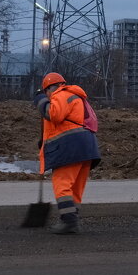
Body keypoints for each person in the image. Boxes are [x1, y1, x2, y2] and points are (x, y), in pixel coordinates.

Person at [32, 72, 100, 234]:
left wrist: (40, 101)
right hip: (86, 147)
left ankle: (68, 222)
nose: (47, 96)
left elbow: (54, 115)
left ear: (49, 88)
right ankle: (72, 218)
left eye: (46, 92)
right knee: (75, 187)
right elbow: (63, 124)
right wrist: (44, 141)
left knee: (62, 183)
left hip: (71, 147)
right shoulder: (77, 97)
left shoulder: (61, 94)